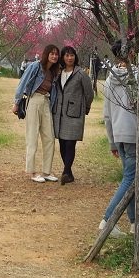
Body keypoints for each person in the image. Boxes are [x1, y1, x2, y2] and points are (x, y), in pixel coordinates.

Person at [99, 39, 139, 237]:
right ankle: (107, 220)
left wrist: (112, 141)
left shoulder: (109, 80)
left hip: (119, 134)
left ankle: (134, 222)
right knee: (131, 179)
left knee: (131, 179)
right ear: (131, 52)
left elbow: (106, 114)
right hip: (134, 134)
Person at [13, 44, 60, 182]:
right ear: (46, 54)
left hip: (46, 102)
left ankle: (46, 171)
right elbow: (23, 83)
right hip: (34, 101)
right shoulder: (35, 66)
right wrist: (16, 103)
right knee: (32, 137)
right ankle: (32, 172)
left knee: (49, 137)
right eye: (52, 53)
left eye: (56, 54)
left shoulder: (53, 71)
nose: (54, 56)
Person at [51, 45, 95, 184]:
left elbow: (89, 93)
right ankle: (68, 173)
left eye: (72, 55)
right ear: (63, 57)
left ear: (75, 57)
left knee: (70, 143)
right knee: (63, 144)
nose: (70, 58)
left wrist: (85, 108)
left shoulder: (81, 73)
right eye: (67, 55)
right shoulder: (58, 73)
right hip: (60, 115)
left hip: (74, 114)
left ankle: (65, 171)